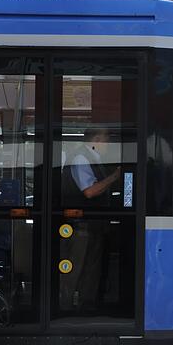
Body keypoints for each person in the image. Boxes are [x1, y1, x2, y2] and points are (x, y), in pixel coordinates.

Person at [59, 127, 121, 313]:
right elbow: (90, 191)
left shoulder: (95, 159)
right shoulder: (80, 159)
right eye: (106, 140)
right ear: (95, 139)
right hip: (81, 226)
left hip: (93, 225)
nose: (108, 144)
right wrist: (115, 177)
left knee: (90, 268)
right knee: (77, 267)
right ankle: (66, 306)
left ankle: (86, 306)